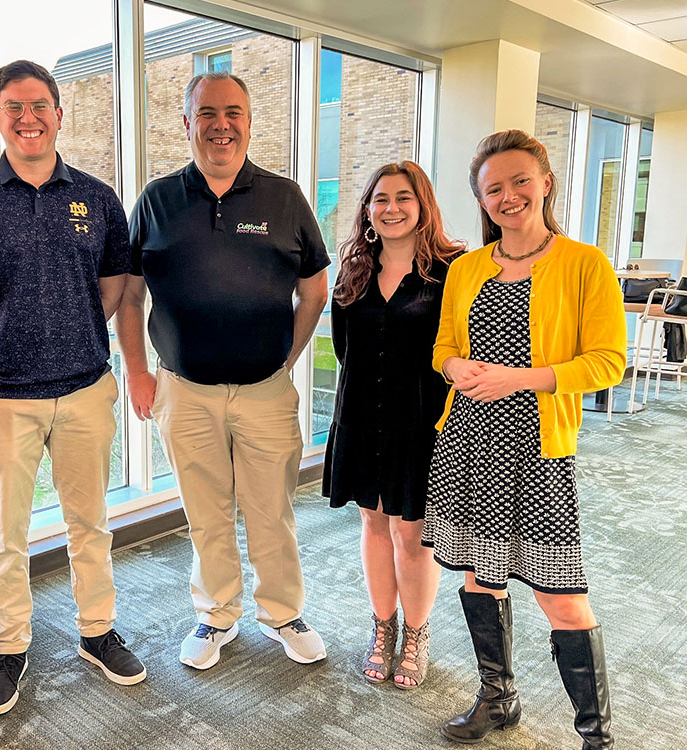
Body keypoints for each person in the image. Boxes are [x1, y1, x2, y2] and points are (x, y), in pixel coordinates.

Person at [116, 71, 331, 670]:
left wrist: (289, 358)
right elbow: (130, 296)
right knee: (205, 513)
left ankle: (283, 611)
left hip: (265, 391)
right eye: (207, 114)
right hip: (183, 391)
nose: (221, 125)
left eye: (233, 113)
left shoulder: (283, 199)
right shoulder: (157, 201)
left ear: (249, 122)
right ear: (187, 124)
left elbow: (314, 288)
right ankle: (215, 616)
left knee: (272, 512)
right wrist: (137, 370)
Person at [0, 60, 144, 717]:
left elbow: (116, 283)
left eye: (40, 105)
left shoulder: (96, 195)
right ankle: (10, 647)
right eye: (14, 107)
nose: (28, 117)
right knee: (4, 533)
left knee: (90, 524)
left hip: (85, 388)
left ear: (60, 114)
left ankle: (97, 631)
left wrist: (75, 327)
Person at [422, 130, 624, 749]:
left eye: (519, 182)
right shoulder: (466, 268)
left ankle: (596, 734)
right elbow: (444, 349)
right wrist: (456, 368)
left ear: (545, 183)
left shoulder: (584, 263)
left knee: (560, 595)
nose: (507, 196)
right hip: (467, 441)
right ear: (481, 200)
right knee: (480, 577)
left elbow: (608, 362)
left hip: (538, 451)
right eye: (493, 189)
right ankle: (499, 695)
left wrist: (520, 379)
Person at [322, 162, 463, 689]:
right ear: (367, 210)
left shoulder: (452, 271)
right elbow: (343, 348)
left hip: (420, 421)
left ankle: (418, 631)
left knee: (413, 532)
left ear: (423, 205)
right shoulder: (354, 270)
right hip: (361, 415)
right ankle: (382, 628)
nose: (391, 208)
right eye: (380, 199)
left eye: (404, 198)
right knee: (373, 525)